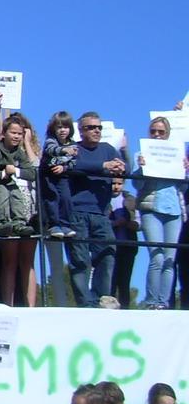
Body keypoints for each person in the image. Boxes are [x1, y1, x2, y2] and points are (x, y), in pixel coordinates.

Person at [64, 112, 127, 308]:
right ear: (81, 131)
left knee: (107, 256)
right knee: (80, 260)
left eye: (99, 127)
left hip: (102, 213)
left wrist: (123, 160)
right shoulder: (73, 149)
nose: (96, 131)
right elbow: (73, 166)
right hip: (77, 212)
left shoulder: (108, 149)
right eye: (91, 127)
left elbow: (126, 171)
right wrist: (103, 166)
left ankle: (102, 299)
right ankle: (86, 303)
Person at [135, 116, 186, 309]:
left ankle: (163, 303)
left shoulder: (177, 154)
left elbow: (183, 188)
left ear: (168, 134)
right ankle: (151, 301)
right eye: (153, 131)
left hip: (174, 211)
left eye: (161, 132)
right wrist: (141, 167)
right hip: (151, 208)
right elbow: (137, 184)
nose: (156, 135)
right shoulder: (141, 153)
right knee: (156, 256)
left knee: (170, 259)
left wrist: (186, 171)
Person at [0, 114, 37, 238]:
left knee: (16, 193)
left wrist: (15, 170)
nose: (16, 136)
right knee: (2, 193)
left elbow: (31, 173)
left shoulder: (19, 152)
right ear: (4, 133)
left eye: (19, 134)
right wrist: (2, 174)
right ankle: (2, 222)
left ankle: (19, 223)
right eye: (13, 133)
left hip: (9, 180)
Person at [41, 111, 79, 238]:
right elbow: (51, 150)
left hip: (62, 176)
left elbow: (74, 162)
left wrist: (64, 168)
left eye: (66, 127)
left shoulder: (73, 144)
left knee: (66, 198)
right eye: (59, 127)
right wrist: (64, 150)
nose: (63, 130)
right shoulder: (50, 140)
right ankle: (54, 224)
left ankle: (65, 224)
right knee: (52, 197)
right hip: (48, 174)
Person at [108, 177, 140, 308]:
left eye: (119, 184)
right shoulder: (104, 199)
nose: (116, 186)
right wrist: (115, 223)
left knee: (124, 281)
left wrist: (129, 224)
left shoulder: (131, 200)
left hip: (128, 246)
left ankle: (125, 309)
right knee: (111, 280)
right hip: (111, 245)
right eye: (113, 183)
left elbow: (138, 222)